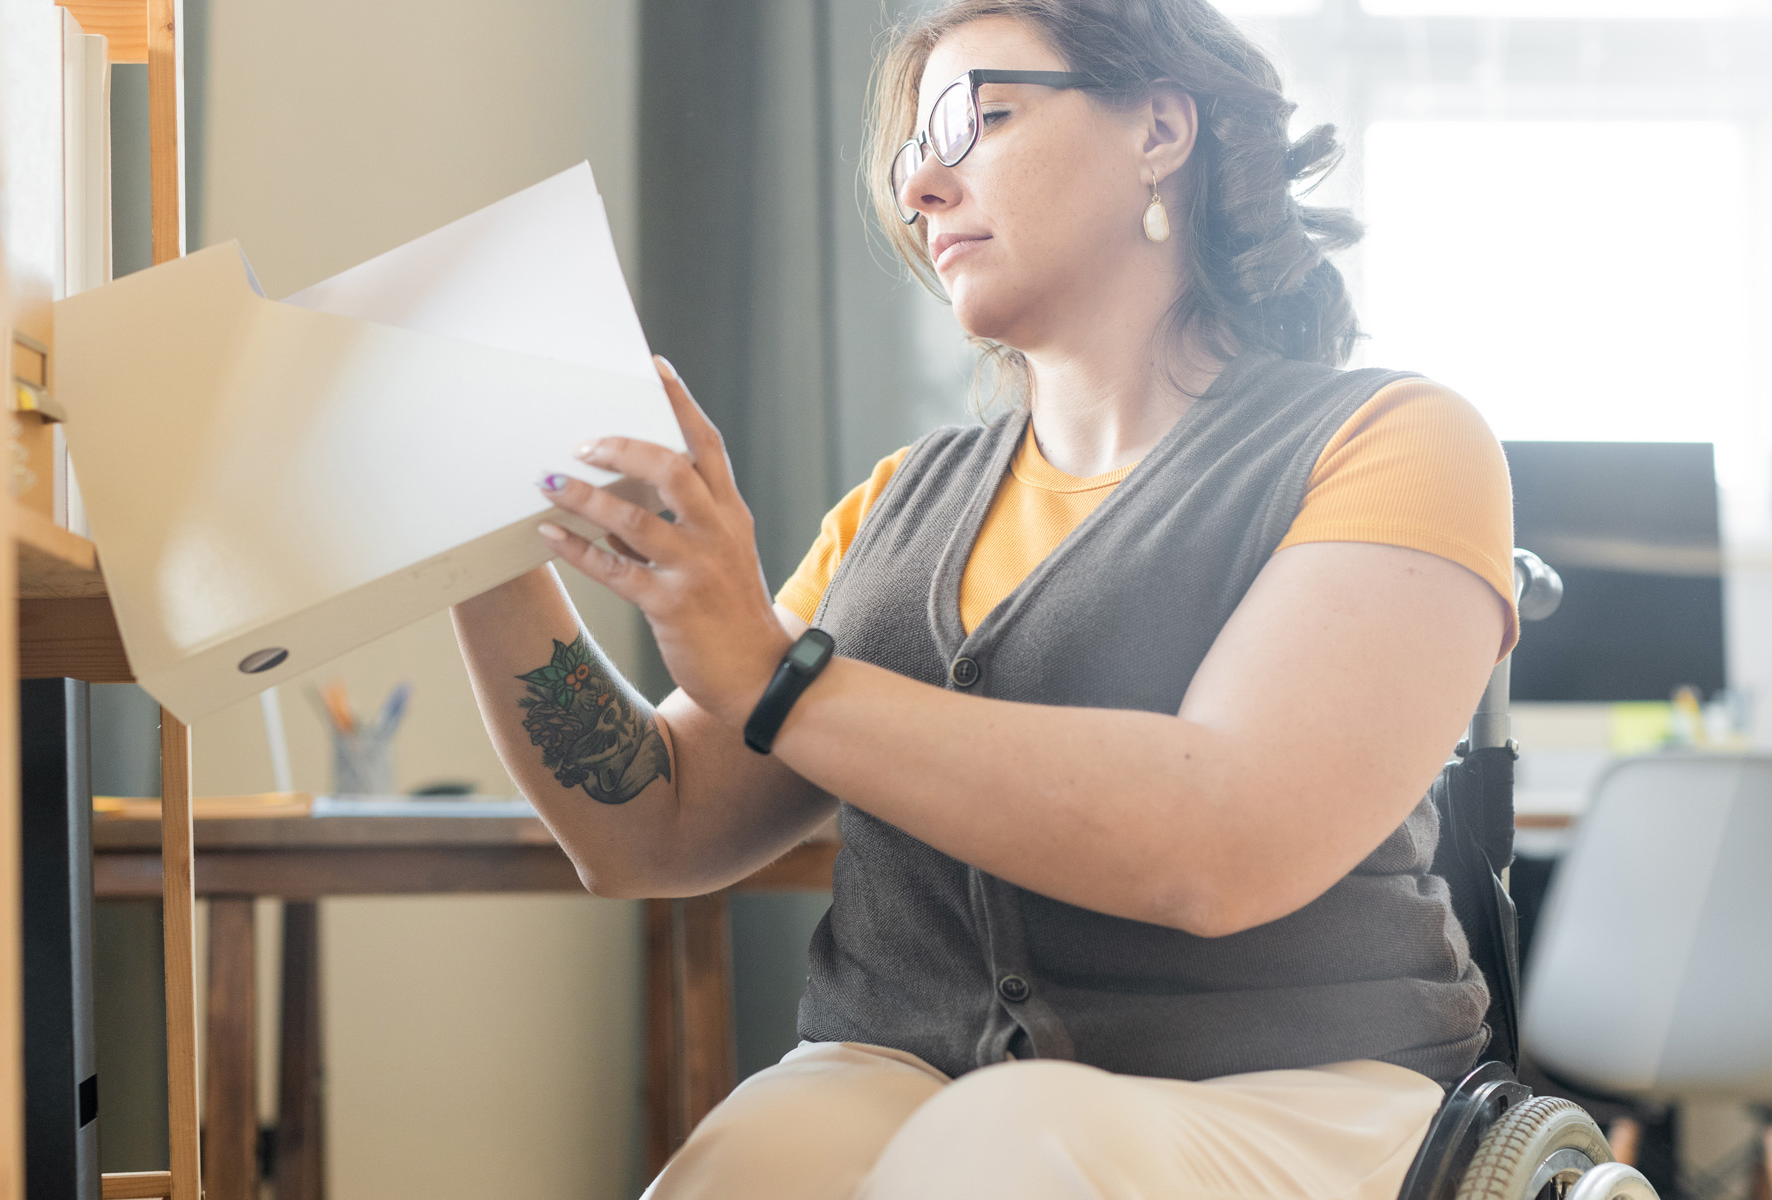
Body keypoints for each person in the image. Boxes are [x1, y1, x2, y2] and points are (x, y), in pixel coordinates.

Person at [449, 0, 1517, 1195]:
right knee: (752, 1159)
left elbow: (1224, 844)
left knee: (1007, 1144)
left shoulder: (1395, 440)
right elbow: (656, 825)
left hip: (1307, 1088)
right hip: (918, 1076)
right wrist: (469, 544)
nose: (922, 188)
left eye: (974, 117)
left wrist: (774, 675)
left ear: (1160, 127)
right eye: (912, 156)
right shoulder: (897, 505)